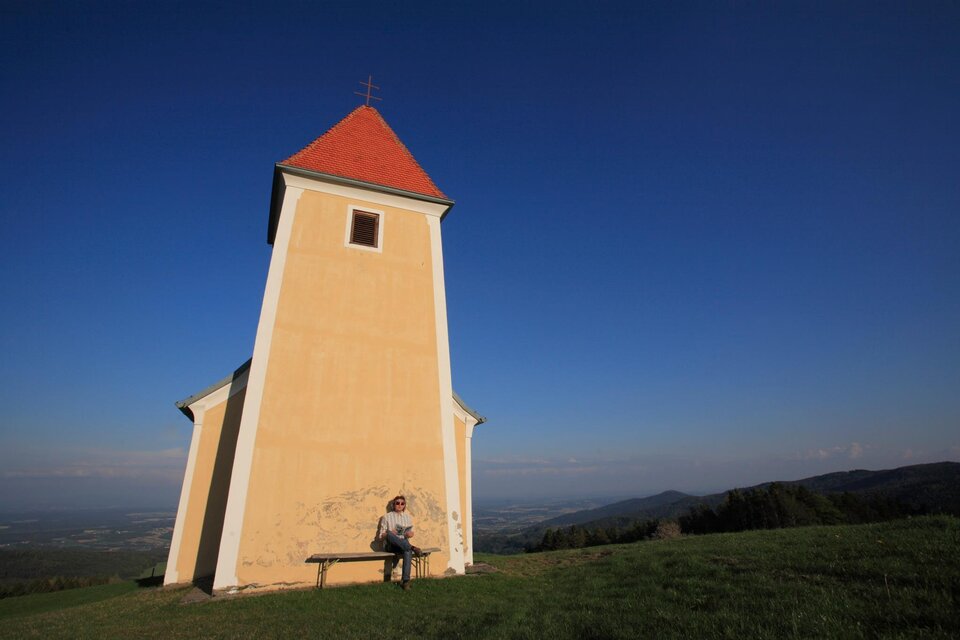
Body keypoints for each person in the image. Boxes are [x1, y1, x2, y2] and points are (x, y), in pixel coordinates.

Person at [378, 495, 421, 590]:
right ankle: (413, 547)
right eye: (397, 503)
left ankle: (405, 582)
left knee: (407, 551)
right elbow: (381, 536)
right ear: (393, 505)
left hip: (403, 543)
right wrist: (389, 534)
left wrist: (410, 534)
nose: (400, 505)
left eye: (402, 503)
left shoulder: (407, 517)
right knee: (389, 534)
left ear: (404, 505)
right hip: (390, 545)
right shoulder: (386, 517)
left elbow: (409, 532)